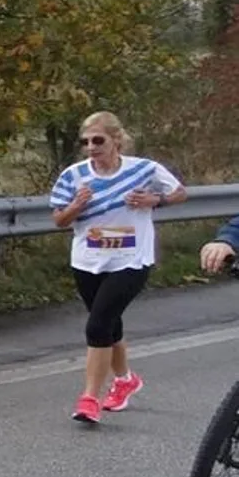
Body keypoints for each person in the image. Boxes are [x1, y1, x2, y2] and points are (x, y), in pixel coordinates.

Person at [49, 111, 188, 424]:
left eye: (98, 140)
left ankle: (89, 400)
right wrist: (76, 206)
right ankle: (125, 380)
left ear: (116, 140)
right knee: (109, 325)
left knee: (97, 327)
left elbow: (180, 193)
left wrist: (155, 200)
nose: (91, 147)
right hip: (87, 261)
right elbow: (59, 220)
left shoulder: (143, 169)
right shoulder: (74, 176)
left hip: (131, 260)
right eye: (85, 142)